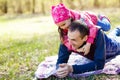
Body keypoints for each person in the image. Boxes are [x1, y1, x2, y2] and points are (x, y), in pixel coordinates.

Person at [56, 20, 120, 78]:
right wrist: (60, 69)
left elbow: (99, 64)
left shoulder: (98, 35)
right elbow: (60, 61)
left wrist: (72, 68)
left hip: (110, 47)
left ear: (85, 38)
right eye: (69, 38)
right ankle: (117, 29)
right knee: (113, 35)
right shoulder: (67, 40)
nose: (69, 42)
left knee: (116, 40)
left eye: (74, 40)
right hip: (104, 41)